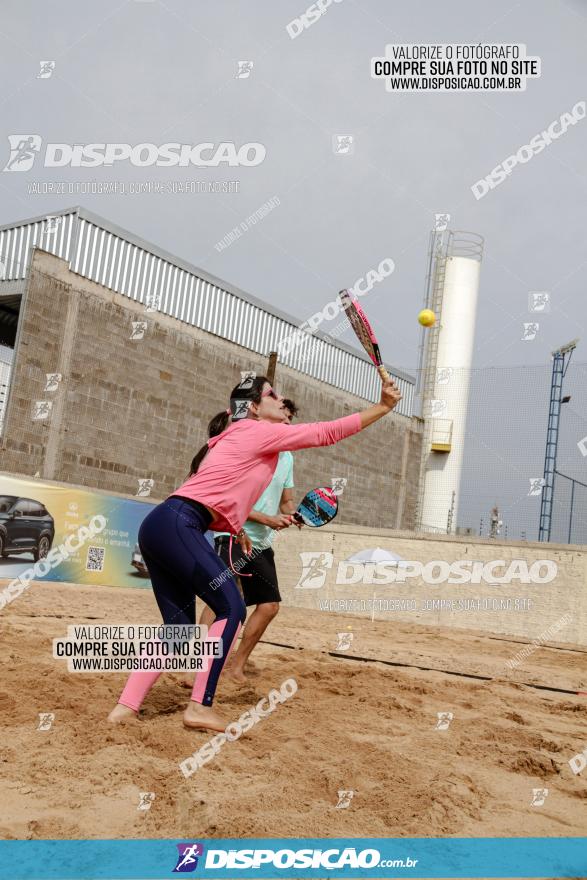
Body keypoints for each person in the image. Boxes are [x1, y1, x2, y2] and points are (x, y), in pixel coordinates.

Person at [108, 374, 402, 733]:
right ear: (252, 407)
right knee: (231, 607)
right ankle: (200, 706)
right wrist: (384, 407)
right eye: (272, 395)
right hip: (179, 523)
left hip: (160, 525)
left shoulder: (231, 436)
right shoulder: (258, 431)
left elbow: (212, 491)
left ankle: (126, 707)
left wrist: (236, 528)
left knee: (178, 629)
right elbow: (328, 432)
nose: (281, 400)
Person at [199, 398, 300, 682]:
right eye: (284, 416)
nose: (289, 423)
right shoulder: (250, 448)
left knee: (269, 606)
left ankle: (236, 666)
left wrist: (293, 515)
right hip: (232, 533)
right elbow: (232, 499)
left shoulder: (288, 457)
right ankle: (198, 666)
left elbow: (287, 501)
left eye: (291, 419)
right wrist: (268, 519)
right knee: (223, 601)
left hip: (260, 543)